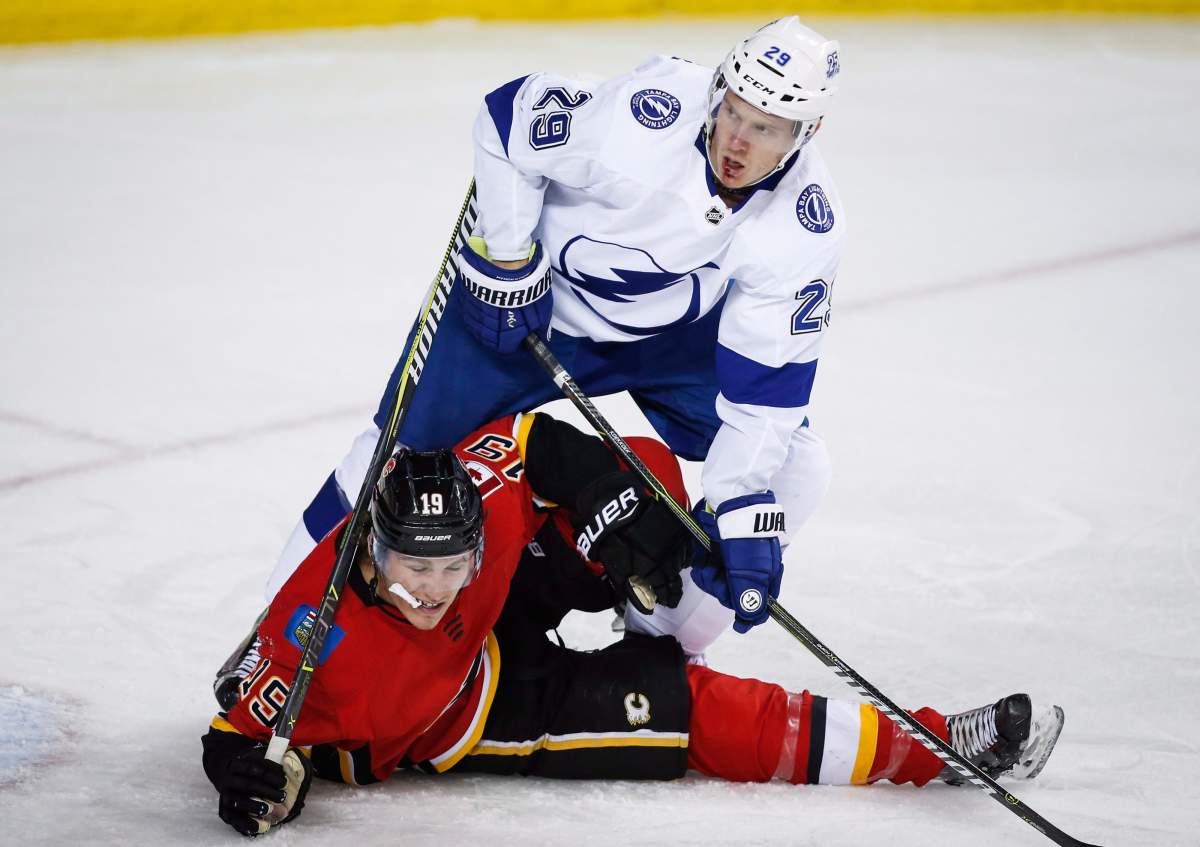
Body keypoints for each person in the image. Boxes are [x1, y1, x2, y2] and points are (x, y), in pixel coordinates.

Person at [266, 16, 847, 652]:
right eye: (732, 113)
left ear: (806, 133)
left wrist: (737, 501)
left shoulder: (804, 225)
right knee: (386, 460)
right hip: (531, 309)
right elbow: (508, 118)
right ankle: (266, 646)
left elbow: (766, 387)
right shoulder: (641, 123)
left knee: (794, 468)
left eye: (764, 129)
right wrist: (509, 258)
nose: (735, 140)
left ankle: (661, 650)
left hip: (666, 338)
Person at [203, 412, 1066, 837]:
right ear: (369, 556)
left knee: (639, 485)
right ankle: (934, 742)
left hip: (500, 613)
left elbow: (532, 442)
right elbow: (234, 731)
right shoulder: (312, 642)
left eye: (449, 565)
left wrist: (606, 503)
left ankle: (660, 604)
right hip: (465, 710)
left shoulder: (479, 499)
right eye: (413, 570)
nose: (431, 589)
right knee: (690, 710)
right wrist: (263, 780)